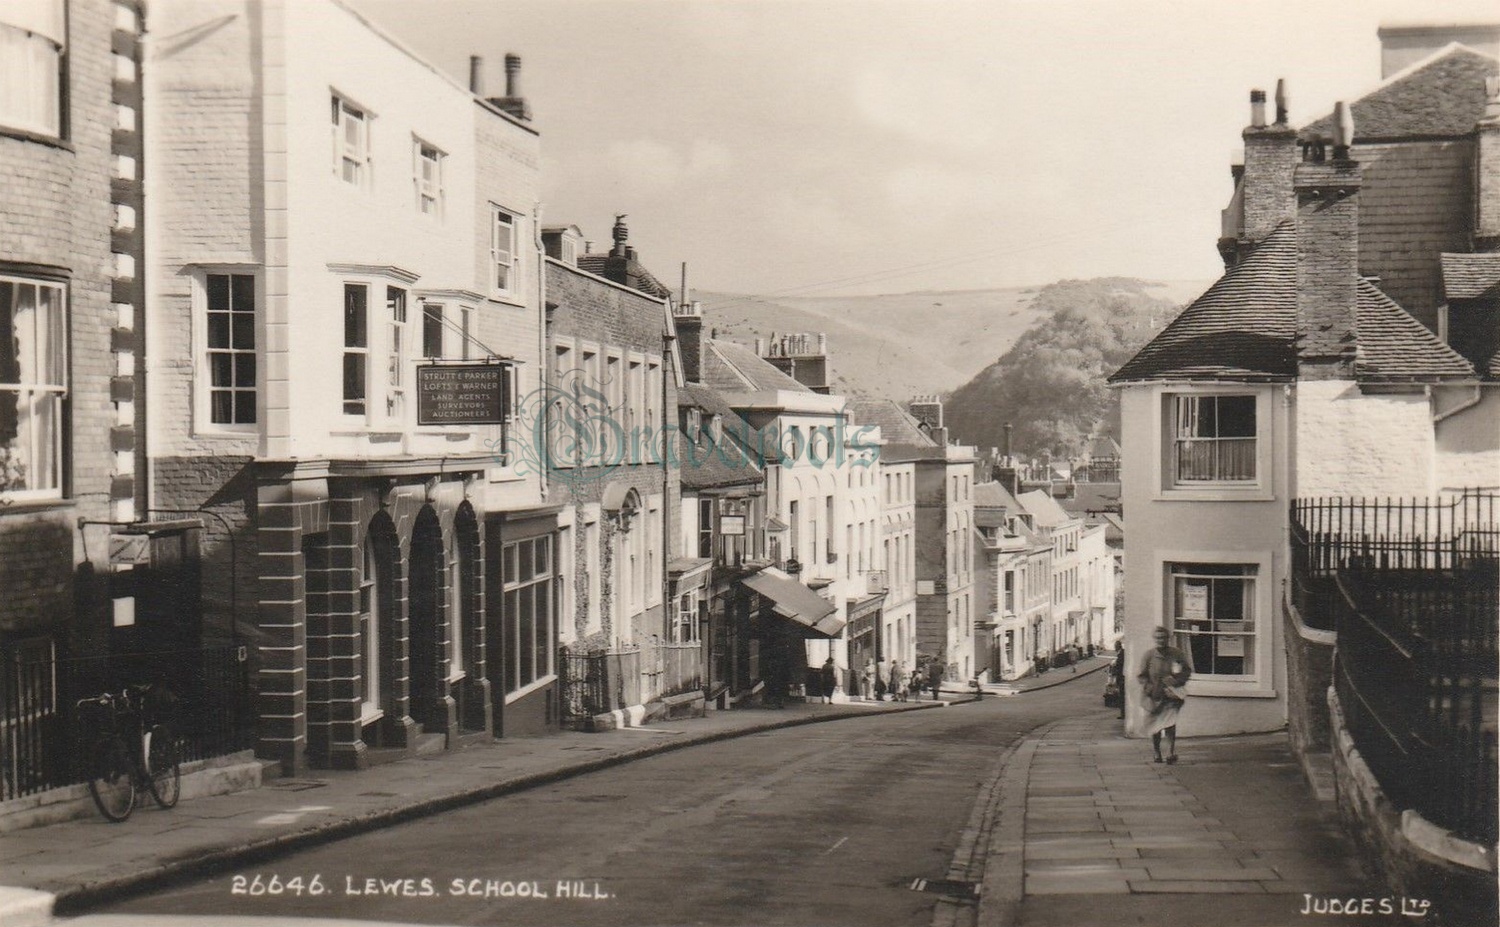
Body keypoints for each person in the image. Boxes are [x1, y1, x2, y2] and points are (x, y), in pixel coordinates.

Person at [1138, 626, 1191, 763]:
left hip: (1171, 696)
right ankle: (1157, 753)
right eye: (1157, 638)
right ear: (1154, 639)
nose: (1160, 640)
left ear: (1168, 638)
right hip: (1154, 697)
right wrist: (1149, 688)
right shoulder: (1148, 655)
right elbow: (1141, 676)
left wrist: (1176, 680)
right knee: (1156, 726)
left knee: (1170, 725)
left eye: (1163, 637)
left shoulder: (1176, 654)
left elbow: (1186, 671)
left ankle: (1170, 753)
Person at [1109, 640, 1126, 719]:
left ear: (1118, 646)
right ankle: (1122, 713)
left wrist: (1114, 667)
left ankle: (1123, 714)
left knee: (1122, 696)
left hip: (1122, 678)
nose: (1114, 648)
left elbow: (1120, 667)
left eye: (1115, 646)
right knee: (1121, 696)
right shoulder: (1122, 653)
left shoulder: (1121, 654)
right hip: (1121, 678)